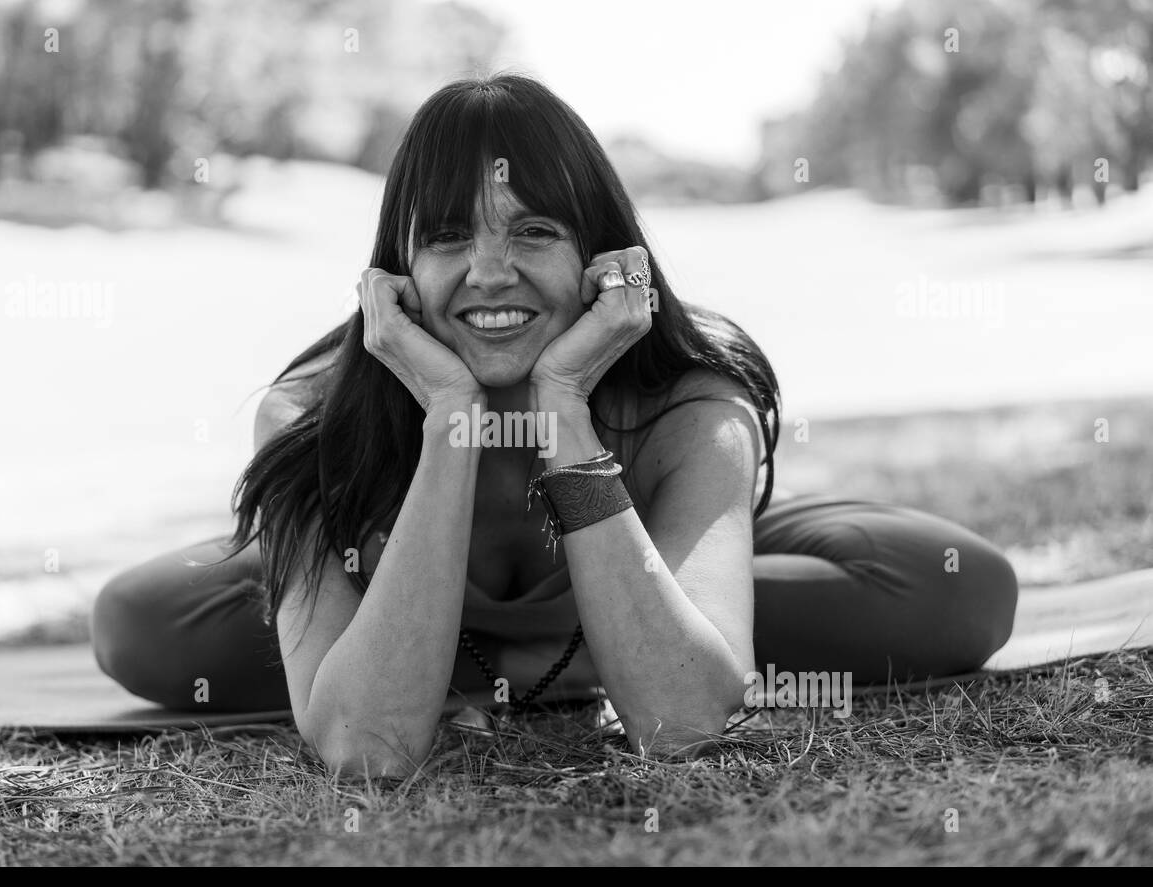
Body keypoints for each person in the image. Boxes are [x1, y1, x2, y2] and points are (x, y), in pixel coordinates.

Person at [89, 73, 1018, 778]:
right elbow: (365, 749)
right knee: (144, 622)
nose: (490, 272)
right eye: (449, 236)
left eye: (533, 232)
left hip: (645, 541)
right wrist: (452, 419)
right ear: (396, 271)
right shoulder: (309, 416)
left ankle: (596, 632)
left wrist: (566, 405)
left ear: (601, 258)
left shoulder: (690, 403)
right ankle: (552, 650)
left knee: (955, 586)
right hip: (388, 575)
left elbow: (685, 725)